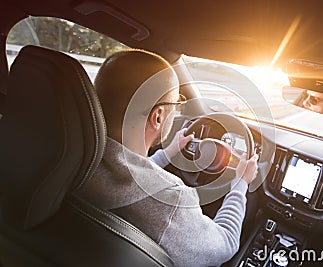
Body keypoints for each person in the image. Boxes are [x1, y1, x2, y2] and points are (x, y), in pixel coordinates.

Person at [76, 49, 259, 266]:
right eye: (176, 104)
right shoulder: (170, 200)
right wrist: (239, 185)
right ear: (158, 116)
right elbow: (225, 243)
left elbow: (124, 177)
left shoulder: (71, 156)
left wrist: (168, 153)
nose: (176, 111)